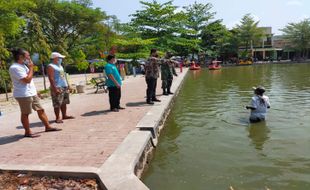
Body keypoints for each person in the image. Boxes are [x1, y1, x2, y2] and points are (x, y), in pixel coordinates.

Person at [9, 49, 61, 138]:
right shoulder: (15, 68)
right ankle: (27, 132)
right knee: (25, 113)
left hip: (31, 93)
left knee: (41, 109)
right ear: (21, 57)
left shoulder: (24, 66)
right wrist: (31, 67)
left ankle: (47, 127)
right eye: (28, 56)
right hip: (23, 94)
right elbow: (27, 80)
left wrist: (36, 91)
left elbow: (30, 81)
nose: (29, 58)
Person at [47, 52, 74, 123]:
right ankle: (57, 117)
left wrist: (68, 85)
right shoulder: (51, 66)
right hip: (57, 87)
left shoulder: (60, 66)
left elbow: (63, 76)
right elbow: (51, 78)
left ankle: (64, 115)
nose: (61, 59)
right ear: (55, 58)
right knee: (57, 103)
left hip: (64, 86)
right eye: (60, 58)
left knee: (64, 102)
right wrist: (55, 88)